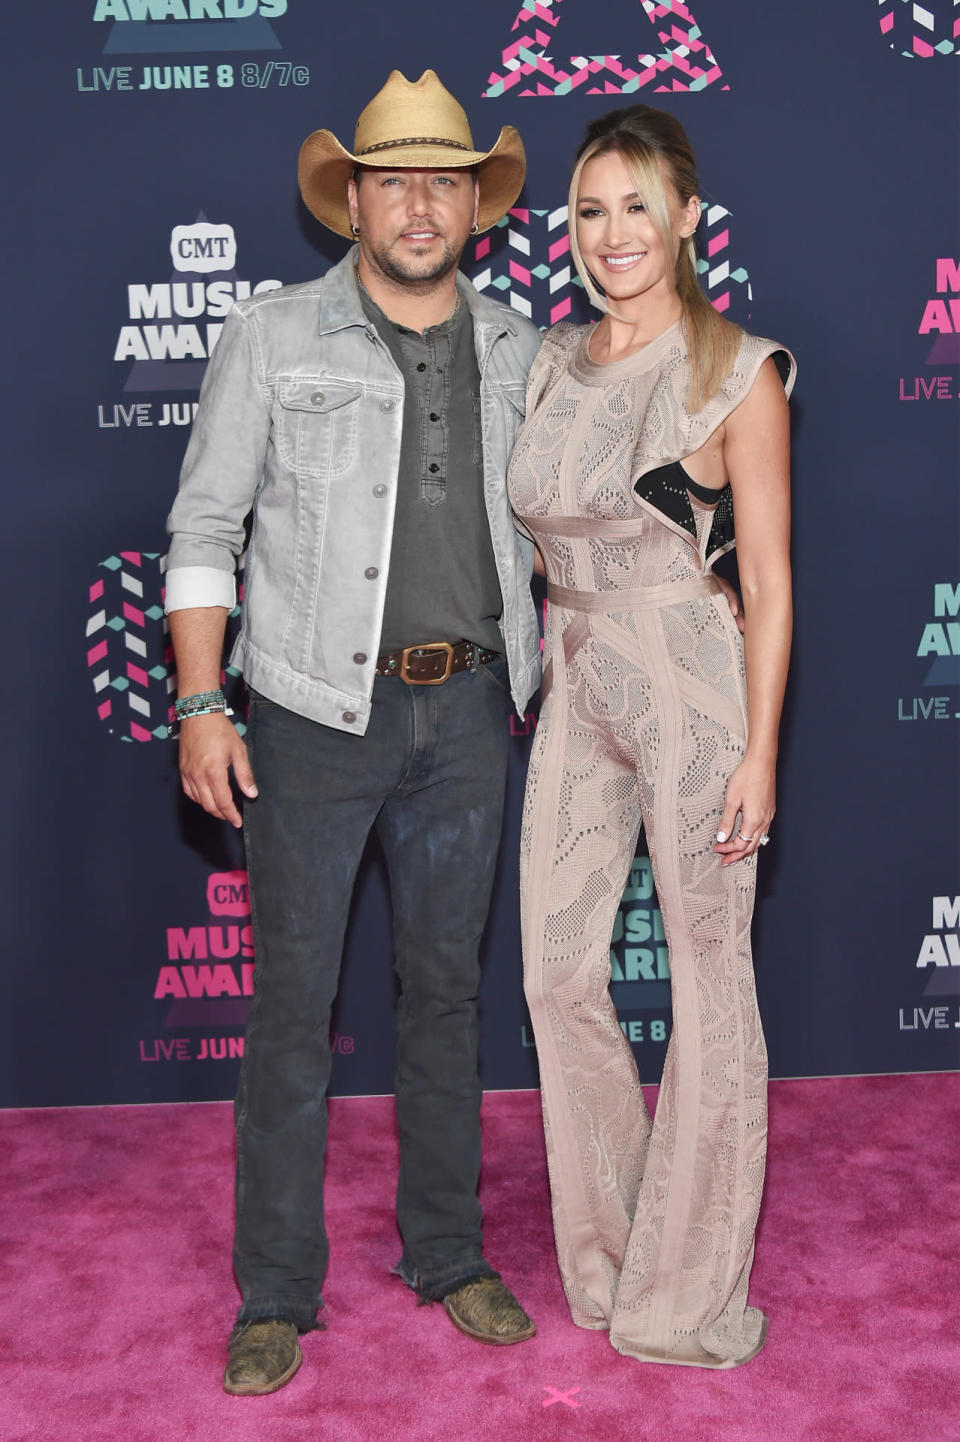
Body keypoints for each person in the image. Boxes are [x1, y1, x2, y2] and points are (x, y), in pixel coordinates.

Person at [164, 69, 544, 1395]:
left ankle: (446, 1250)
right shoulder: (272, 338)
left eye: (446, 178)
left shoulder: (519, 344)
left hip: (469, 708)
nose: (422, 202)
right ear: (354, 197)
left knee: (447, 997)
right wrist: (202, 702)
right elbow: (204, 531)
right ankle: (276, 1288)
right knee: (291, 1009)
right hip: (312, 716)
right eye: (397, 178)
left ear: (477, 204)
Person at [507, 104, 795, 1368]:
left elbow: (773, 581)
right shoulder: (550, 363)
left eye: (637, 206)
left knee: (707, 978)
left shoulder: (737, 370)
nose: (611, 233)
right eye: (588, 209)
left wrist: (762, 749)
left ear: (686, 217)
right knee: (557, 972)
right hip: (576, 685)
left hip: (689, 687)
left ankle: (686, 1292)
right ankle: (616, 1256)